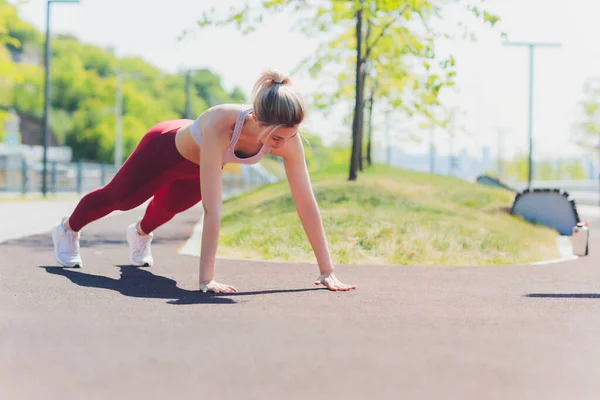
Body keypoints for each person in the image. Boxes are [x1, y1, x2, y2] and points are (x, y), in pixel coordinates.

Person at [52, 69, 356, 294]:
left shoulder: (287, 137)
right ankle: (68, 229)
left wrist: (327, 271)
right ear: (259, 122)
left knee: (168, 208)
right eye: (277, 137)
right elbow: (214, 210)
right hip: (165, 150)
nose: (283, 144)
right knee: (120, 199)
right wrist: (206, 280)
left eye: (291, 136)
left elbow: (306, 203)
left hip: (194, 169)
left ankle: (140, 234)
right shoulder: (221, 123)